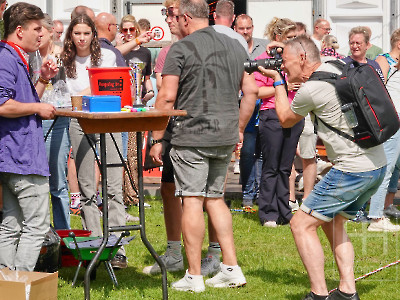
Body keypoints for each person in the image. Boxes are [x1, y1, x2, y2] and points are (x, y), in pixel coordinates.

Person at [259, 34, 386, 300]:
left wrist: (279, 81)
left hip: (351, 170)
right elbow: (308, 53)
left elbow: (284, 119)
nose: (285, 67)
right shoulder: (336, 65)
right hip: (376, 163)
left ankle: (318, 294)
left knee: (301, 225)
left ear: (303, 58)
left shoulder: (310, 90)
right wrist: (289, 51)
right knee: (334, 221)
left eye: (287, 62)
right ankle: (347, 292)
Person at [150, 0, 258, 292]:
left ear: (185, 17)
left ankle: (194, 275)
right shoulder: (236, 45)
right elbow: (251, 91)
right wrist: (238, 127)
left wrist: (157, 136)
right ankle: (231, 268)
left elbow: (166, 97)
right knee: (215, 199)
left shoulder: (180, 49)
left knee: (193, 200)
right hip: (224, 134)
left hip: (191, 135)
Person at [61, 14, 127, 269]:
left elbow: (112, 88)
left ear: (93, 35)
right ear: (71, 36)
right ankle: (95, 245)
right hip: (78, 121)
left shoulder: (107, 57)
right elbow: (66, 96)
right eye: (77, 34)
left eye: (86, 33)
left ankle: (119, 246)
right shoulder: (65, 60)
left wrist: (84, 94)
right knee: (87, 187)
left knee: (113, 185)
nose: (81, 38)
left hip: (107, 119)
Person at [0, 2, 58, 271]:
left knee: (11, 225)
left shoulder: (14, 56)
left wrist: (43, 80)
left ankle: (7, 288)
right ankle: (19, 288)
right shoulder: (6, 57)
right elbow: (2, 105)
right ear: (20, 30)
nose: (41, 34)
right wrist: (38, 107)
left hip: (15, 156)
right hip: (21, 156)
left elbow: (18, 102)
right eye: (36, 29)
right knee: (36, 227)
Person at [255, 17, 303, 227]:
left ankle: (284, 210)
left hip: (294, 114)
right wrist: (281, 86)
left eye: (296, 38)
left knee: (286, 168)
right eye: (290, 38)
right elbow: (257, 91)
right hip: (271, 115)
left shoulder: (295, 58)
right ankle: (268, 212)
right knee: (271, 166)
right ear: (278, 37)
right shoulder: (264, 59)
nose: (294, 41)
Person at [29, 13, 71, 230]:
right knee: (37, 182)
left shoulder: (62, 56)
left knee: (57, 180)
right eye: (34, 31)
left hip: (57, 119)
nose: (37, 36)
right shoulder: (29, 56)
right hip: (33, 120)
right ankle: (41, 234)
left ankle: (63, 235)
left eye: (40, 31)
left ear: (50, 33)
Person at [366, 28, 400, 231]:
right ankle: (375, 217)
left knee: (395, 168)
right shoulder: (384, 60)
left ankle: (385, 207)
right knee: (386, 168)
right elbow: (377, 92)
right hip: (390, 123)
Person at [234, 14, 267, 208]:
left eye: (248, 28)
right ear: (235, 28)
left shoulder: (264, 47)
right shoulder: (232, 46)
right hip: (243, 107)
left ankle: (261, 193)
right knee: (246, 153)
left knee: (262, 153)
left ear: (253, 28)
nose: (245, 32)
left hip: (262, 105)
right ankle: (247, 193)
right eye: (241, 29)